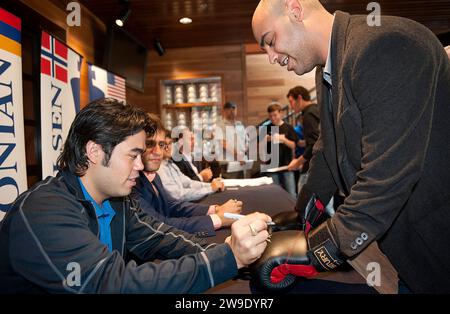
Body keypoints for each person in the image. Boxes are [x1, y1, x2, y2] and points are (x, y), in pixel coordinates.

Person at [252, 0, 450, 293]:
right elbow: (328, 149)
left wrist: (322, 247)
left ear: (295, 10)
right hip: (397, 241)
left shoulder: (383, 44)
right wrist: (304, 209)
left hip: (434, 240)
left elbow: (387, 176)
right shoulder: (328, 67)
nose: (270, 57)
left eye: (269, 41)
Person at [0, 98, 271, 293]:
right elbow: (112, 284)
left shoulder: (116, 200)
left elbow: (162, 238)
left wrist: (236, 254)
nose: (140, 166)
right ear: (94, 152)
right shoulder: (44, 211)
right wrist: (228, 258)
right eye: (133, 155)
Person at [133, 114, 241, 237]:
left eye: (161, 144)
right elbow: (160, 224)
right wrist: (218, 218)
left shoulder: (153, 175)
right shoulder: (133, 182)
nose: (158, 151)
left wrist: (214, 210)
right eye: (150, 144)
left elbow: (173, 205)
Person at [158, 130, 224, 202]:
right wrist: (210, 188)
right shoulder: (162, 166)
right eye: (163, 144)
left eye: (170, 143)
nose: (167, 147)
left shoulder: (171, 164)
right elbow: (179, 195)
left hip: (186, 203)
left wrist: (211, 185)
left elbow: (189, 183)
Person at [286, 86, 320, 193]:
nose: (291, 106)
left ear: (299, 98)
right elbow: (320, 139)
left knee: (304, 204)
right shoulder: (316, 109)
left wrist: (297, 162)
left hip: (312, 167)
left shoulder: (308, 114)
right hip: (320, 165)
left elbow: (314, 145)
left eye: (291, 102)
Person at [264, 102, 298, 198]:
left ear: (281, 113)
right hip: (271, 167)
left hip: (286, 166)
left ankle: (293, 213)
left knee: (291, 194)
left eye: (275, 115)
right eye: (271, 116)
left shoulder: (289, 127)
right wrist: (264, 141)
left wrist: (284, 139)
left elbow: (294, 146)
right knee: (274, 196)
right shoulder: (266, 128)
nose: (273, 118)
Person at [215, 101, 250, 179]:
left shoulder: (239, 125)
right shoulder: (220, 126)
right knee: (231, 188)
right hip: (228, 164)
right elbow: (224, 143)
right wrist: (238, 156)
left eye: (233, 109)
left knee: (243, 188)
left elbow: (246, 141)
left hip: (241, 163)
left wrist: (243, 152)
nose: (232, 111)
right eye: (229, 109)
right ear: (224, 111)